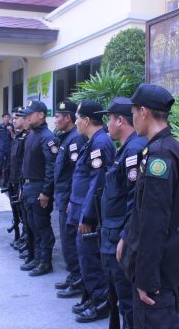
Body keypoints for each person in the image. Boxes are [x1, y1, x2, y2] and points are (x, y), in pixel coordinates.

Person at [121, 84, 179, 329]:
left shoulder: (160, 155)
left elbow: (155, 222)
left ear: (144, 111)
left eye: (133, 112)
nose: (133, 118)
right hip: (159, 267)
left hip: (156, 274)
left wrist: (146, 279)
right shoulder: (162, 147)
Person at [98, 97, 147, 329]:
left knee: (127, 300)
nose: (106, 124)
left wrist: (125, 236)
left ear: (120, 120)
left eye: (109, 119)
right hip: (112, 232)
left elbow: (134, 199)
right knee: (118, 296)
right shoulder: (126, 148)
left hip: (119, 236)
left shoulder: (134, 149)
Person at [69, 100, 115, 323]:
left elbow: (97, 183)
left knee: (91, 259)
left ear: (86, 120)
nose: (75, 122)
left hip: (90, 213)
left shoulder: (100, 143)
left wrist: (88, 216)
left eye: (77, 118)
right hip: (82, 208)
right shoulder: (93, 141)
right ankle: (92, 296)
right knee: (85, 257)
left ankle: (101, 302)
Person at [18, 100, 58, 276]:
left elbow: (51, 167)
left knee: (42, 226)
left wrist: (46, 192)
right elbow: (25, 164)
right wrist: (22, 186)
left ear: (41, 115)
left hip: (39, 187)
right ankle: (36, 258)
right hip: (28, 186)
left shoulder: (48, 138)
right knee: (31, 225)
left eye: (30, 114)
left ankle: (45, 262)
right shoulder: (31, 135)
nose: (27, 117)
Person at [53, 100, 86, 298]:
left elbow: (77, 174)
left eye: (58, 116)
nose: (55, 120)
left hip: (69, 198)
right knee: (67, 241)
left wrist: (71, 201)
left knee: (70, 242)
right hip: (64, 196)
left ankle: (77, 280)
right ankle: (73, 275)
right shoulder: (67, 138)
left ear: (68, 118)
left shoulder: (75, 140)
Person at [6, 107, 27, 245]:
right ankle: (19, 236)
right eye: (13, 118)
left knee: (24, 211)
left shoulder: (27, 137)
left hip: (21, 180)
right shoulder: (17, 136)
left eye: (17, 118)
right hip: (13, 179)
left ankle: (26, 238)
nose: (14, 121)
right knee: (17, 211)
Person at [0, 113, 14, 187]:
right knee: (0, 165)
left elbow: (13, 137)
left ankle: (6, 182)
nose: (6, 118)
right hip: (1, 149)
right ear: (2, 118)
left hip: (9, 149)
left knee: (8, 166)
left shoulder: (11, 126)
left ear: (9, 118)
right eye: (5, 117)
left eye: (8, 117)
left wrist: (11, 131)